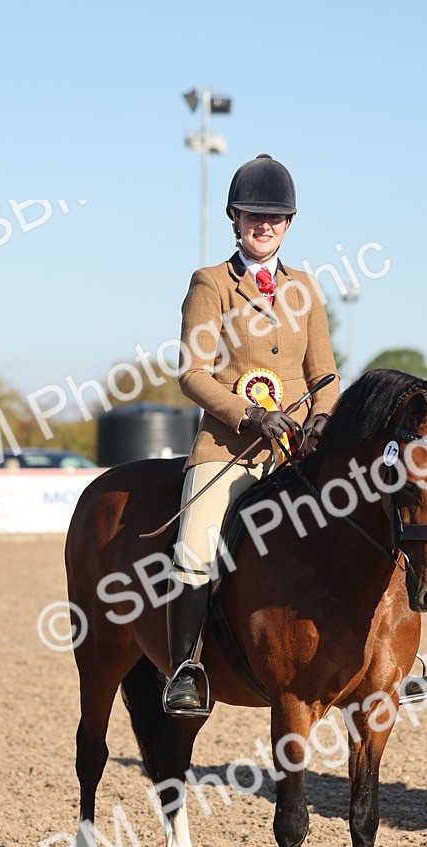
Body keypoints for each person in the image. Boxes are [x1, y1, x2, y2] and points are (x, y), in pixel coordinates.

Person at [165, 154, 340, 714]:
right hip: (229, 448)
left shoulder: (307, 289)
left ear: (288, 224)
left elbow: (326, 377)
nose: (264, 226)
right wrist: (248, 413)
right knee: (194, 545)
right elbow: (191, 373)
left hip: (296, 453)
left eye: (275, 218)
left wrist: (321, 420)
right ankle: (186, 670)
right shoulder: (211, 284)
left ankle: (387, 656)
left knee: (363, 519)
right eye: (253, 216)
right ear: (234, 218)